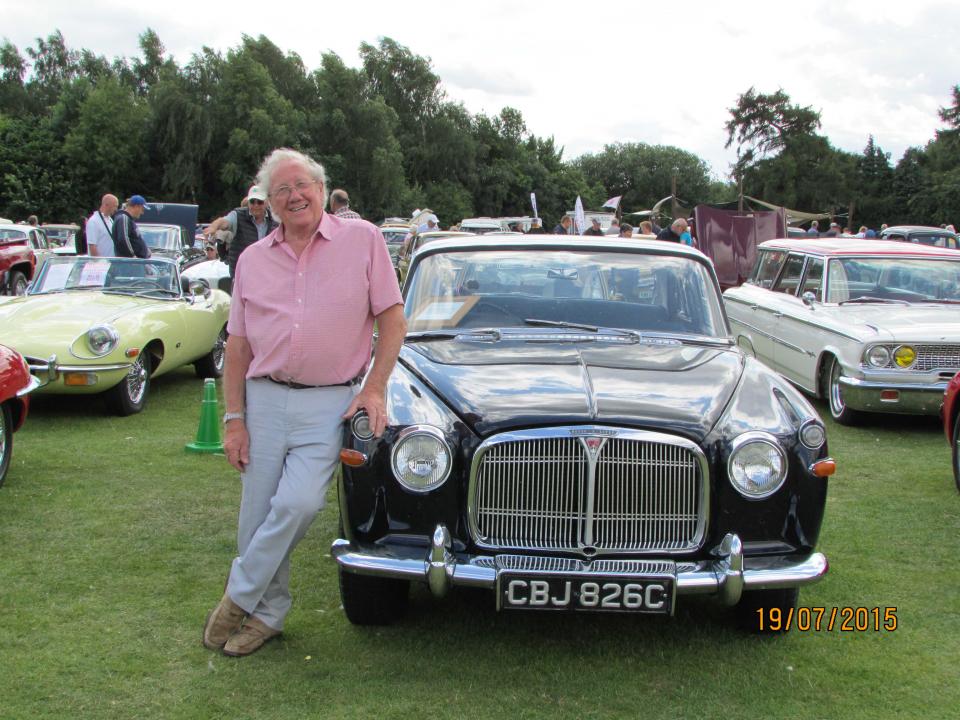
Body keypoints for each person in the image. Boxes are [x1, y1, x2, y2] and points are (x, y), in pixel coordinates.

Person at [202, 147, 406, 657]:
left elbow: (392, 319)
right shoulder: (252, 259)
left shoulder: (364, 240)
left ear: (321, 189)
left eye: (302, 186)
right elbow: (238, 346)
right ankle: (267, 617)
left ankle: (238, 595)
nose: (294, 196)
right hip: (263, 400)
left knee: (299, 504)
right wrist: (233, 419)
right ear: (268, 203)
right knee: (256, 517)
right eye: (281, 190)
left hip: (329, 402)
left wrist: (375, 386)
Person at [204, 185, 278, 277]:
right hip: (241, 274)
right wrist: (213, 227)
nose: (256, 205)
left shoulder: (275, 220)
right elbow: (224, 221)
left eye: (260, 202)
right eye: (252, 202)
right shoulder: (237, 215)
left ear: (266, 203)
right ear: (248, 203)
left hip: (267, 274)